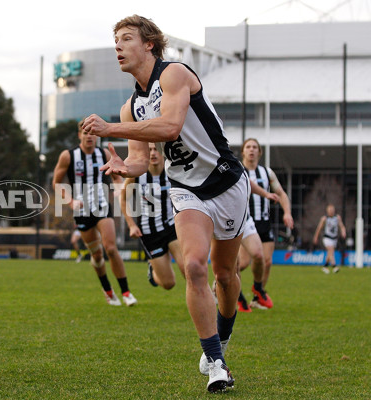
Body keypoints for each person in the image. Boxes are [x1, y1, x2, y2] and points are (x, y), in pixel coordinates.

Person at [82, 15, 249, 393]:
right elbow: (141, 158)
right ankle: (216, 364)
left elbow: (170, 126)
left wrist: (109, 128)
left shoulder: (173, 74)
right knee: (192, 266)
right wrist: (126, 168)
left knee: (225, 275)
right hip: (186, 189)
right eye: (116, 41)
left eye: (127, 39)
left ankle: (221, 339)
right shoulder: (130, 107)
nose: (118, 47)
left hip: (227, 182)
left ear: (150, 45)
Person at [52, 119, 138, 307]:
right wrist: (70, 201)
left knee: (111, 248)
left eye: (92, 133)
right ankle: (108, 290)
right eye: (85, 133)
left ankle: (126, 292)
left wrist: (119, 190)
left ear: (96, 136)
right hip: (82, 211)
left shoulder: (104, 153)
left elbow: (116, 178)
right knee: (97, 255)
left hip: (102, 207)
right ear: (79, 135)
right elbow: (57, 183)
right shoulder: (68, 156)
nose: (89, 136)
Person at [119, 143, 185, 289]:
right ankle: (153, 269)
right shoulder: (137, 175)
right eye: (149, 150)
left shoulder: (172, 171)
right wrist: (131, 225)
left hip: (172, 227)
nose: (153, 153)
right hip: (149, 233)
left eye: (156, 149)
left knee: (188, 270)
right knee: (168, 284)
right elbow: (123, 198)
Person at [240, 138, 294, 309]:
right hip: (245, 221)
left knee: (267, 261)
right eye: (248, 147)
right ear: (243, 151)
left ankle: (257, 296)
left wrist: (287, 213)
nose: (251, 150)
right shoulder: (238, 170)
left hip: (263, 222)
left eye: (255, 147)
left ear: (260, 152)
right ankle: (220, 287)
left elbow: (281, 193)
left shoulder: (267, 173)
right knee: (241, 264)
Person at [234, 182, 280, 313]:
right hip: (223, 221)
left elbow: (246, 181)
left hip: (245, 219)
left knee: (259, 255)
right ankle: (239, 299)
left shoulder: (232, 165)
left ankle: (258, 287)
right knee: (234, 265)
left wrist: (265, 194)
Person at [313, 203, 346, 273]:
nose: (331, 211)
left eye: (332, 210)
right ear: (327, 211)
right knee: (331, 251)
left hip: (334, 238)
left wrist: (343, 232)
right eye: (330, 210)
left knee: (329, 253)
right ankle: (334, 266)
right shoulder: (324, 218)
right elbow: (319, 228)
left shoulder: (337, 218)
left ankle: (325, 266)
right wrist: (316, 237)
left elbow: (342, 226)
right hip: (327, 238)